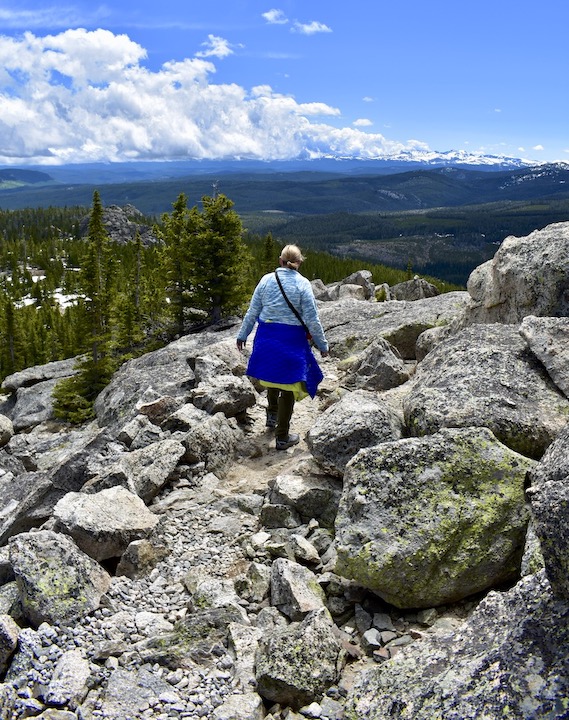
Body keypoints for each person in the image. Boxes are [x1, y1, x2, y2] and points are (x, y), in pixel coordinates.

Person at [236, 244, 329, 450]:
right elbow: (312, 319)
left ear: (280, 261)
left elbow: (252, 312)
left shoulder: (266, 280)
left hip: (266, 337)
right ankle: (282, 436)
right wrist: (322, 345)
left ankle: (271, 416)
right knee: (289, 386)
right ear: (299, 263)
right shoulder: (303, 284)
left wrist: (242, 335)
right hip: (292, 339)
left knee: (272, 378)